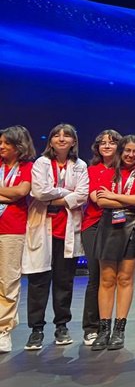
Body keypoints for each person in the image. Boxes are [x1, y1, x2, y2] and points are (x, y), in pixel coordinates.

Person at [23, 124, 89, 350]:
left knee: (64, 282)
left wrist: (53, 198)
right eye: (56, 135)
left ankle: (62, 326)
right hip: (42, 229)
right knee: (38, 281)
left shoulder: (80, 165)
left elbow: (82, 195)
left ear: (73, 142)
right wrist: (66, 194)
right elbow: (39, 192)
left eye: (67, 135)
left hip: (66, 231)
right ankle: (36, 330)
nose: (61, 139)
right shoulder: (41, 163)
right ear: (50, 141)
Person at [92, 134, 135, 350]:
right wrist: (131, 200)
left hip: (133, 226)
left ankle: (119, 330)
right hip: (108, 225)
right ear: (121, 151)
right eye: (127, 150)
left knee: (125, 279)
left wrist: (114, 196)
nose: (131, 155)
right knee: (107, 279)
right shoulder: (109, 171)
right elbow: (101, 201)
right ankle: (103, 330)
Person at [80, 129, 121, 346]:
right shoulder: (92, 170)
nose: (106, 145)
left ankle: (111, 328)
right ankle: (91, 327)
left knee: (117, 278)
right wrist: (125, 199)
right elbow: (98, 199)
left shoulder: (126, 170)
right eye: (102, 142)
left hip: (119, 225)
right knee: (96, 276)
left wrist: (115, 197)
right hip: (94, 225)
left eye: (112, 142)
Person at [0, 126, 35, 353]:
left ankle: (3, 330)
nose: (1, 146)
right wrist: (8, 193)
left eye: (6, 143)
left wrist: (11, 194)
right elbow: (12, 193)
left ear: (18, 146)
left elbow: (21, 192)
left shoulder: (28, 167)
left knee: (8, 281)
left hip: (12, 230)